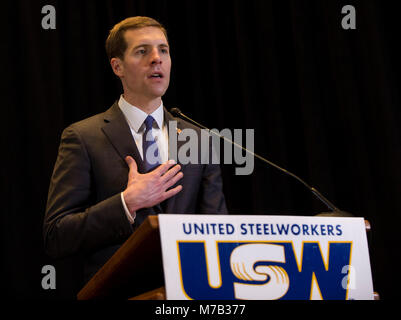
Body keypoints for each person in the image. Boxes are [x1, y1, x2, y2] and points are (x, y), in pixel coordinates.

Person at [43, 16, 227, 285]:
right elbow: (56, 236)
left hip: (187, 292)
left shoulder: (197, 138)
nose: (157, 59)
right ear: (117, 66)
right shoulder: (83, 137)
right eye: (142, 51)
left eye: (163, 50)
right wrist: (126, 203)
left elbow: (217, 231)